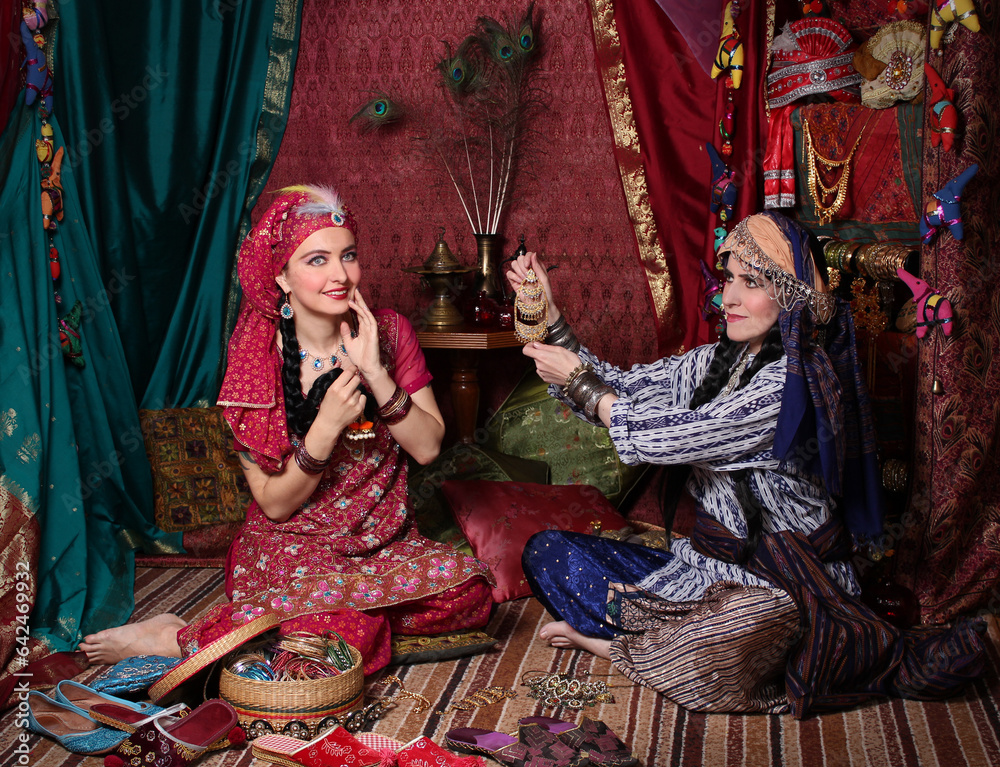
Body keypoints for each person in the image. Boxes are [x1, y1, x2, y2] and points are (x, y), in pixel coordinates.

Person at [509, 211, 985, 718]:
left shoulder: (792, 385)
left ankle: (618, 646)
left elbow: (668, 436)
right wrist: (553, 319)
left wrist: (579, 380)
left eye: (751, 283)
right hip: (707, 570)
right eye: (729, 279)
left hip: (782, 587)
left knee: (738, 626)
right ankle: (674, 640)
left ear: (791, 296)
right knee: (547, 552)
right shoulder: (713, 362)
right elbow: (622, 388)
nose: (728, 298)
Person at [81, 186, 493, 674]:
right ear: (281, 275)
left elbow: (426, 448)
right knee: (329, 634)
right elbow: (275, 504)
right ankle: (175, 637)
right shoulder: (256, 361)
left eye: (349, 256)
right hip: (292, 546)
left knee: (470, 592)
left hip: (382, 544)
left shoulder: (390, 332)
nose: (340, 275)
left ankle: (287, 622)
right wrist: (325, 426)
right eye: (317, 260)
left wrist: (377, 375)